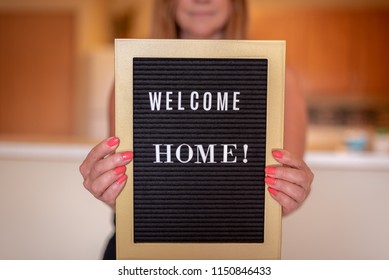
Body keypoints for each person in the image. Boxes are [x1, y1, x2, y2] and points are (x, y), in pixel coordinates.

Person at [79, 0, 314, 259]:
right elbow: (131, 190)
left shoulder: (279, 77)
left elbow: (279, 201)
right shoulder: (132, 73)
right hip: (145, 254)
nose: (201, 0)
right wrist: (110, 192)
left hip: (233, 256)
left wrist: (292, 191)